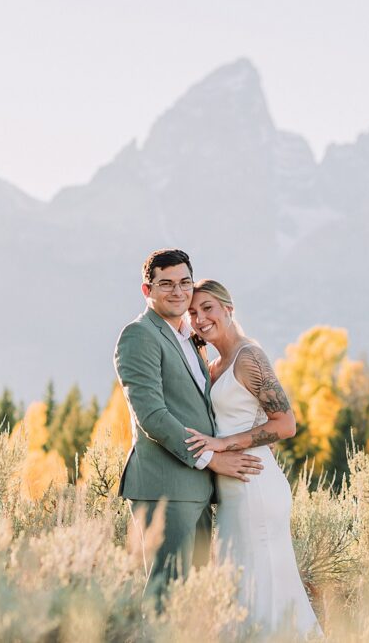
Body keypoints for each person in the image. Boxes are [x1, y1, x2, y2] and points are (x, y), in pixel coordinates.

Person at [114, 249, 264, 603]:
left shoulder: (190, 338)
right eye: (165, 284)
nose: (178, 292)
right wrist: (211, 458)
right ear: (146, 290)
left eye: (184, 283)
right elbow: (151, 415)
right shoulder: (139, 336)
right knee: (166, 597)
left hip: (197, 488)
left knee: (191, 599)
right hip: (165, 486)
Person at [185, 279, 321, 637]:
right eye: (193, 312)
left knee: (264, 588)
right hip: (232, 491)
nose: (200, 318)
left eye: (208, 308)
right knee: (240, 586)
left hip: (255, 486)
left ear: (229, 310)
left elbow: (286, 423)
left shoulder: (249, 357)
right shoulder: (214, 366)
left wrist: (223, 444)